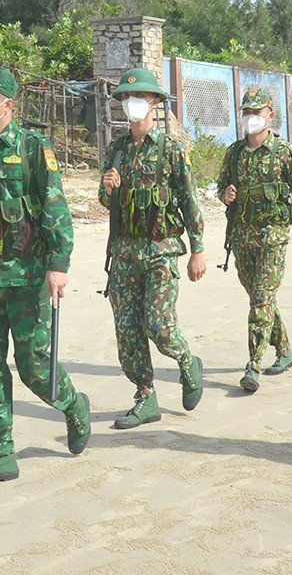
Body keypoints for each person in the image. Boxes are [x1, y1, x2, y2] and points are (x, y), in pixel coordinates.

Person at [0, 64, 90, 490]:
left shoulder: (32, 148)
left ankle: (71, 404)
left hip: (27, 277)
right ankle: (1, 452)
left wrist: (59, 264)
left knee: (33, 368)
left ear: (7, 105)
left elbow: (54, 207)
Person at [99, 67, 207, 428]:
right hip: (125, 253)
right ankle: (145, 397)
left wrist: (198, 249)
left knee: (159, 325)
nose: (132, 105)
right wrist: (109, 188)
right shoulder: (115, 151)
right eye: (127, 99)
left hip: (160, 250)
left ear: (156, 103)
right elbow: (105, 199)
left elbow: (189, 201)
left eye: (140, 98)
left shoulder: (172, 150)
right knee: (127, 331)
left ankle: (187, 361)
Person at [216, 89, 292, 393]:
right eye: (246, 113)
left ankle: (253, 365)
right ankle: (285, 351)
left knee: (261, 299)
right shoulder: (234, 153)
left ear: (270, 116)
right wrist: (226, 194)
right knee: (261, 300)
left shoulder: (284, 152)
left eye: (257, 113)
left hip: (273, 236)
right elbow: (221, 185)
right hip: (242, 236)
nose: (251, 119)